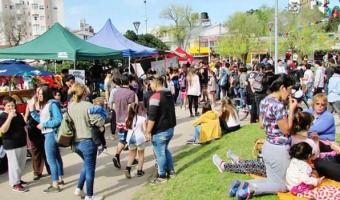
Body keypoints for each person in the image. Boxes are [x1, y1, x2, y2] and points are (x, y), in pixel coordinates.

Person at [228, 73, 297, 199]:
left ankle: (243, 184)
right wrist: (291, 111)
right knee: (282, 185)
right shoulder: (278, 105)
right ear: (282, 88)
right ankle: (251, 188)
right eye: (289, 90)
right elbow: (286, 130)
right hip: (279, 149)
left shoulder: (264, 101)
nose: (289, 94)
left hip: (268, 146)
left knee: (272, 180)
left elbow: (261, 124)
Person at [68, 83, 105, 200]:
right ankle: (90, 195)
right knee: (90, 169)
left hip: (75, 142)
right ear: (84, 92)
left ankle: (79, 188)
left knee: (86, 164)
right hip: (88, 141)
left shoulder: (70, 106)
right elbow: (98, 122)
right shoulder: (88, 105)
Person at [29, 85, 64, 193]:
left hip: (51, 134)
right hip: (49, 133)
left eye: (40, 94)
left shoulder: (52, 104)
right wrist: (32, 110)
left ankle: (55, 184)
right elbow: (41, 119)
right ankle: (59, 178)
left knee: (51, 159)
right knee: (56, 157)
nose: (38, 96)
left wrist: (44, 124)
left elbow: (59, 120)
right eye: (37, 94)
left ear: (45, 93)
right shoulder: (46, 105)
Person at [146, 74, 176, 185]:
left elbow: (152, 117)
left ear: (155, 83)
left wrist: (147, 132)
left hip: (160, 130)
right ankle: (171, 171)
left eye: (150, 84)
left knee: (160, 153)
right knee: (165, 150)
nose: (150, 86)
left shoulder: (155, 96)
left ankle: (162, 175)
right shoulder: (168, 93)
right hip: (170, 128)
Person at [0, 96, 29, 192]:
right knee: (14, 165)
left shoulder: (19, 115)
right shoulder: (2, 116)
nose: (11, 107)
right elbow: (3, 130)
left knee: (21, 164)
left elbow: (24, 127)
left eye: (12, 105)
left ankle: (18, 179)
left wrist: (28, 139)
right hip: (11, 144)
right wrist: (9, 117)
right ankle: (15, 184)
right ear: (4, 106)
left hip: (21, 142)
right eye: (8, 106)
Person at [24, 86, 50, 181]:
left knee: (47, 149)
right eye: (38, 92)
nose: (39, 94)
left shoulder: (48, 102)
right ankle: (37, 172)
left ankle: (51, 169)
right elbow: (27, 115)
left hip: (45, 126)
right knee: (36, 150)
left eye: (41, 92)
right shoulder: (31, 101)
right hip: (34, 128)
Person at [111, 75, 137, 169]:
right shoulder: (131, 93)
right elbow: (130, 107)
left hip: (119, 120)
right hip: (128, 120)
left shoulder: (116, 92)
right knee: (131, 139)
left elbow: (113, 106)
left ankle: (117, 155)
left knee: (122, 139)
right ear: (129, 82)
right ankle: (132, 159)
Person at [124, 103, 147, 179]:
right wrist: (147, 136)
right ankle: (139, 170)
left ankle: (128, 168)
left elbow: (126, 129)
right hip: (139, 138)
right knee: (141, 155)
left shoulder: (127, 119)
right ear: (138, 110)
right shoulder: (142, 119)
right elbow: (144, 130)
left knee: (132, 155)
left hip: (130, 138)